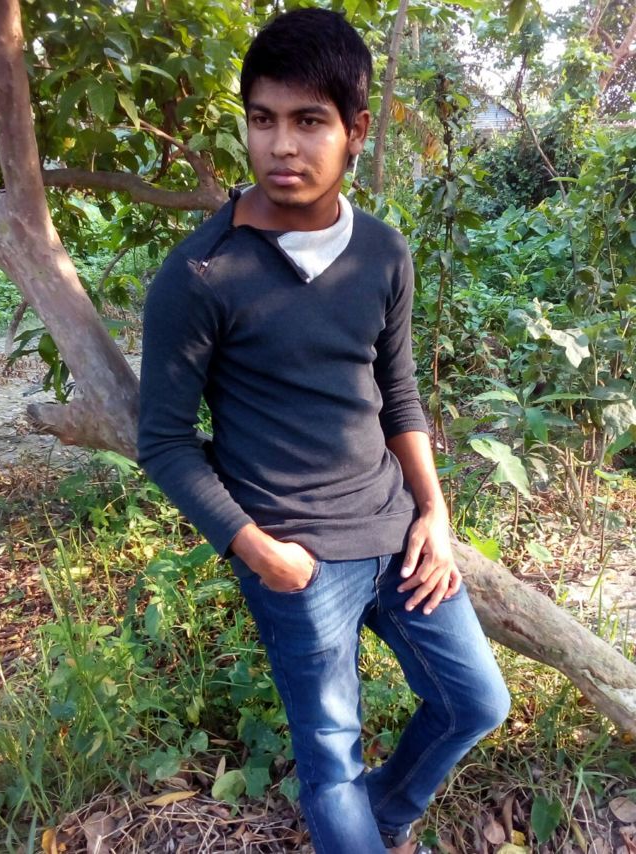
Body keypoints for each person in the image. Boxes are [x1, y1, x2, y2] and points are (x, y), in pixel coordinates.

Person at [138, 8, 510, 853]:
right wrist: (259, 553)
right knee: (331, 759)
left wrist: (434, 513)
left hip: (399, 537)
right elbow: (162, 441)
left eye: (309, 121)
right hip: (295, 557)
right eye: (262, 119)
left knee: (477, 703)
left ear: (356, 131)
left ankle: (385, 816)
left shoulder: (382, 253)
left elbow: (397, 392)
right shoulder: (201, 275)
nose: (281, 146)